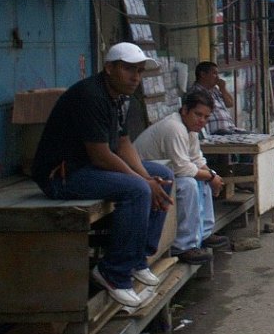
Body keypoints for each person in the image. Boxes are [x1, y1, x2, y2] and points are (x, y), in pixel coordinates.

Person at [31, 42, 174, 307]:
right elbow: (101, 155)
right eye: (128, 69)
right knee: (138, 190)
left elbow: (123, 144)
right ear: (109, 68)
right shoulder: (90, 96)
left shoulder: (121, 97)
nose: (135, 77)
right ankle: (113, 273)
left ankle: (136, 259)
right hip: (62, 177)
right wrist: (143, 181)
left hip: (91, 168)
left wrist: (148, 176)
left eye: (139, 71)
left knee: (163, 175)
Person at [134, 88, 229, 263]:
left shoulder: (190, 129)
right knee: (189, 184)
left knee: (204, 178)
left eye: (206, 117)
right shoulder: (175, 127)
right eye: (198, 114)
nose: (202, 120)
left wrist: (213, 176)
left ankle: (204, 233)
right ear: (185, 110)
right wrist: (210, 176)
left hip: (166, 173)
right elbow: (182, 168)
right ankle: (184, 246)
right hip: (143, 175)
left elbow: (196, 159)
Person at [194, 61, 242, 134]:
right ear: (203, 74)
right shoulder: (196, 92)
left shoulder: (214, 90)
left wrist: (223, 89)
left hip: (230, 129)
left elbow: (230, 104)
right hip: (217, 132)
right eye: (214, 73)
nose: (218, 77)